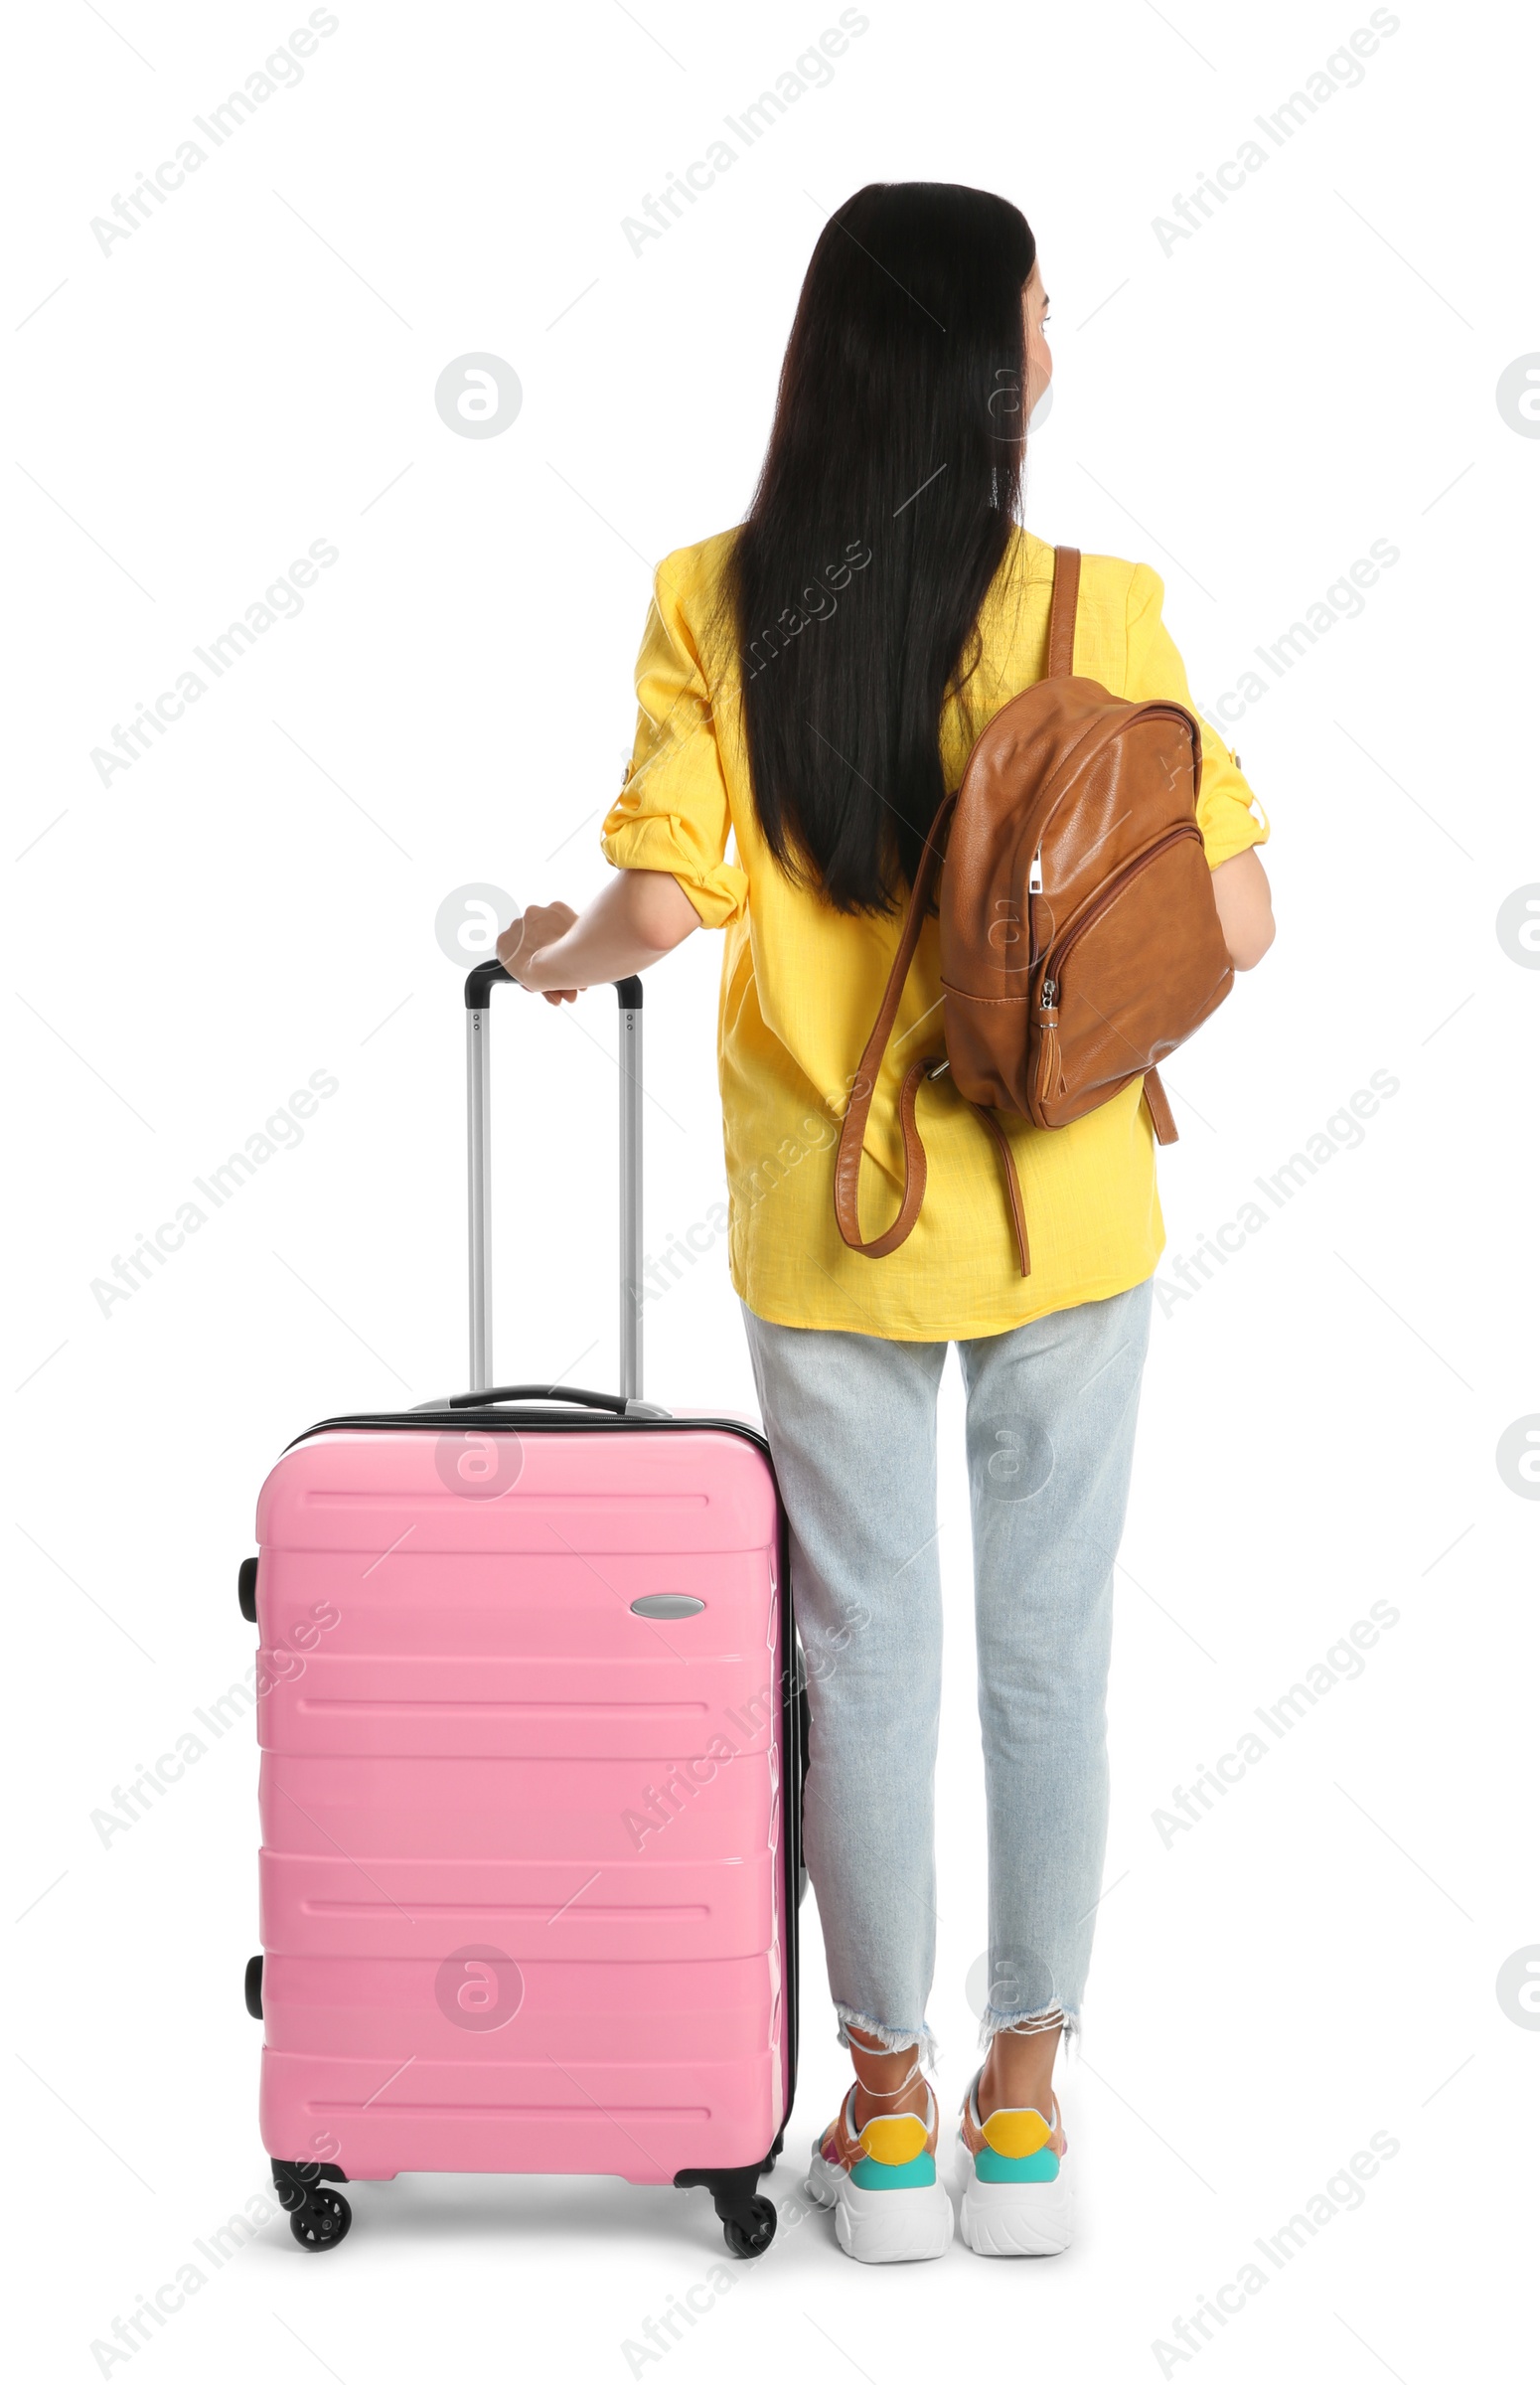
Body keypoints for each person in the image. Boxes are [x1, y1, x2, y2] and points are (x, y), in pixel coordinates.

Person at [498, 180, 1274, 2264]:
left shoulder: (708, 600)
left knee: (862, 1657)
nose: (1053, 338)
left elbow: (662, 911)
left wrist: (550, 958)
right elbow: (1244, 915)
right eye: (1037, 307)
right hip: (1064, 1212)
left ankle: (888, 2114)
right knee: (1046, 1656)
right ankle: (1023, 2120)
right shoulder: (1097, 613)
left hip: (829, 1223)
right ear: (980, 362)